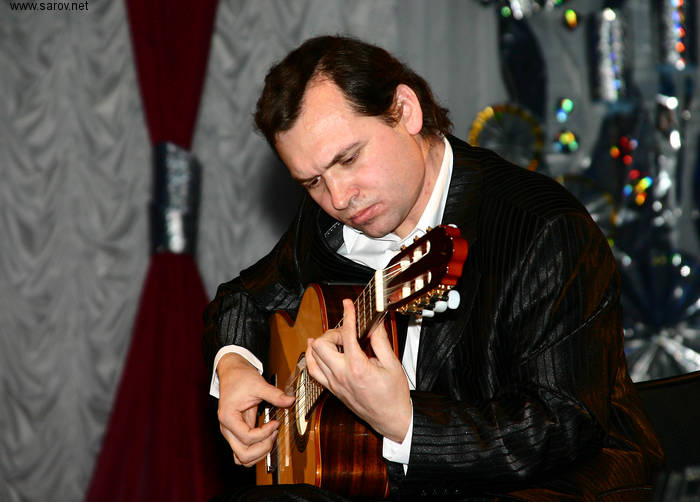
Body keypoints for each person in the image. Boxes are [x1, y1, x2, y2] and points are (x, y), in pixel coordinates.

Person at [203, 35, 664, 501]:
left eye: (349, 158)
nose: (339, 198)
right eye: (313, 182)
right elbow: (244, 297)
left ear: (405, 111)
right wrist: (236, 365)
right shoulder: (329, 224)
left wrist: (405, 421)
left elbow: (562, 425)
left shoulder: (541, 228)